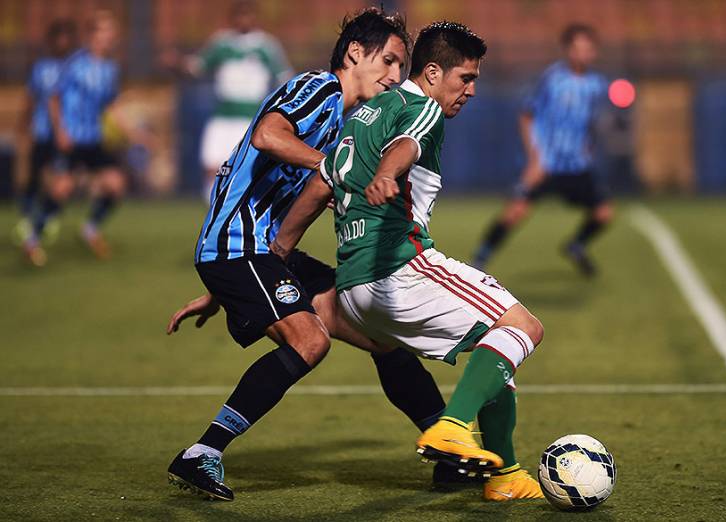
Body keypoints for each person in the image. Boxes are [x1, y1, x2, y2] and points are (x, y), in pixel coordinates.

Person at [164, 9, 456, 502]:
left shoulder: (343, 120)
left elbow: (295, 202)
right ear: (354, 53)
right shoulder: (319, 89)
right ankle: (202, 453)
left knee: (380, 332)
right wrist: (333, 166)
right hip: (239, 248)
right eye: (388, 61)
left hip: (256, 253)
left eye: (401, 67)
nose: (394, 76)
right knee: (309, 341)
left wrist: (217, 292)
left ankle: (449, 453)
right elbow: (267, 136)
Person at [273, 21, 545, 502]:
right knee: (522, 326)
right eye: (466, 78)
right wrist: (385, 174)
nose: (472, 91)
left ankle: (506, 474)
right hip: (400, 268)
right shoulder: (421, 108)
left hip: (355, 291)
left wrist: (278, 252)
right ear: (434, 72)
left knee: (494, 351)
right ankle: (452, 426)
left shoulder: (361, 115)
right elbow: (408, 147)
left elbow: (320, 184)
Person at [472, 24, 613, 277]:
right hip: (546, 164)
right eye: (577, 48)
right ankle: (479, 259)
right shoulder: (553, 79)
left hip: (577, 165)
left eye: (588, 49)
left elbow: (591, 122)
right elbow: (527, 116)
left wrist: (589, 147)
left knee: (603, 214)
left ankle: (576, 245)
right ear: (567, 50)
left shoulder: (597, 84)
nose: (582, 53)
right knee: (516, 211)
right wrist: (535, 158)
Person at [23, 10, 126, 265]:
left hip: (93, 140)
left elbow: (110, 106)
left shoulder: (110, 69)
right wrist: (60, 131)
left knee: (115, 184)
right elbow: (53, 98)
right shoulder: (75, 62)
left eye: (110, 31)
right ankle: (33, 238)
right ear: (91, 35)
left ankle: (90, 229)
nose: (108, 36)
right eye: (102, 31)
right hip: (72, 138)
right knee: (62, 188)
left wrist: (131, 132)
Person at [164, 0, 292, 202]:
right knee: (212, 164)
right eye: (240, 16)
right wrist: (177, 63)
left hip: (250, 116)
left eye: (248, 15)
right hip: (223, 115)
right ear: (233, 19)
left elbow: (284, 78)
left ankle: (246, 206)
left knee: (247, 166)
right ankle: (213, 207)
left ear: (255, 18)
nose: (244, 20)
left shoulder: (266, 46)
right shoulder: (221, 43)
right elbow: (196, 67)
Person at [13, 19, 78, 255]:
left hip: (63, 135)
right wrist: (23, 124)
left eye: (66, 37)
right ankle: (29, 219)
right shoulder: (40, 67)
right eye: (58, 37)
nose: (63, 42)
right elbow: (31, 98)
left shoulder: (73, 67)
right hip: (41, 132)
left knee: (61, 180)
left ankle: (45, 219)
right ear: (52, 41)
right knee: (34, 179)